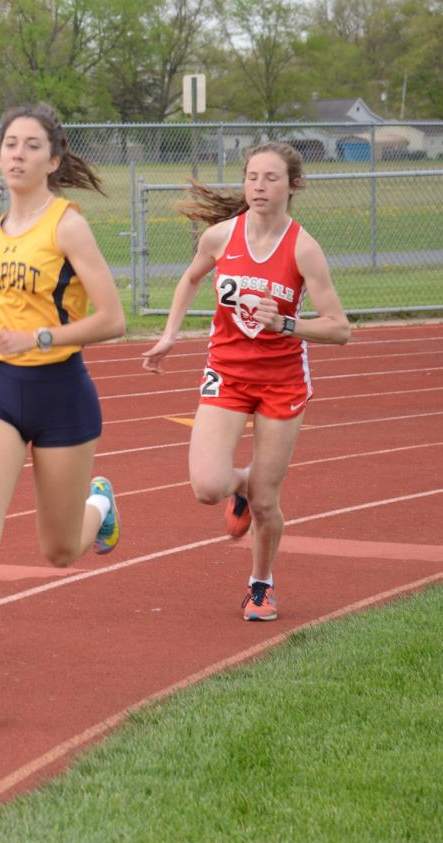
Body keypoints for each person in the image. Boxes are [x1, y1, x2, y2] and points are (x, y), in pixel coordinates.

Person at [0, 102, 126, 725]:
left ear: (53, 160)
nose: (17, 154)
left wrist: (40, 340)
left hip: (62, 394)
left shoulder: (67, 226)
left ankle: (101, 506)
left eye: (32, 146)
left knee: (59, 551)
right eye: (10, 143)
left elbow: (114, 320)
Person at [142, 142, 350, 622]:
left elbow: (339, 328)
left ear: (292, 186)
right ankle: (241, 486)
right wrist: (171, 333)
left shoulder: (303, 249)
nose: (258, 186)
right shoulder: (220, 237)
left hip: (281, 380)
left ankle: (261, 584)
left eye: (271, 178)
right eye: (252, 176)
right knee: (207, 487)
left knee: (266, 500)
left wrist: (286, 323)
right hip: (228, 372)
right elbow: (191, 278)